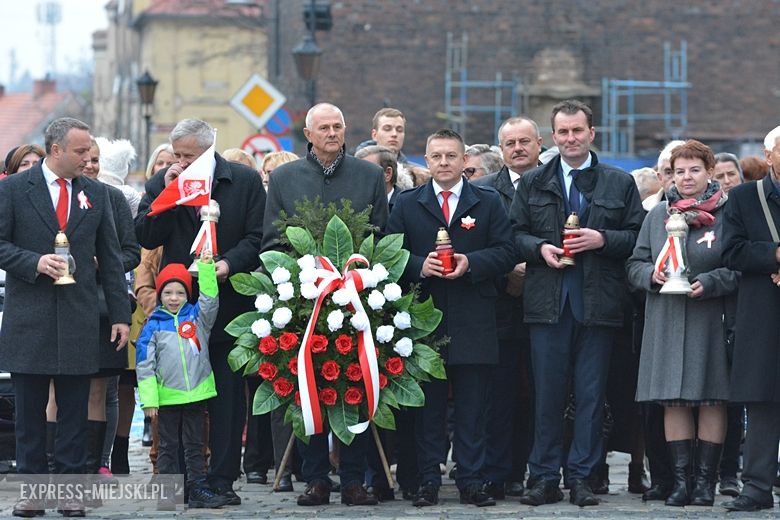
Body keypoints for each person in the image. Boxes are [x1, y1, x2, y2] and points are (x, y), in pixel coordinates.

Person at [510, 100, 644, 507]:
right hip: (547, 303)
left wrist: (603, 239)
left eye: (577, 131)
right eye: (563, 132)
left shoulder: (619, 182)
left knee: (590, 396)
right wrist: (539, 248)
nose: (571, 138)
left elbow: (637, 237)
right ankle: (544, 477)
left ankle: (583, 477)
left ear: (592, 133)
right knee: (547, 396)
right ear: (552, 137)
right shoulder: (533, 182)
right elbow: (513, 234)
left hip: (598, 304)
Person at [0, 117, 131, 517]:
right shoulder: (13, 189)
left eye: (90, 150)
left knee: (75, 411)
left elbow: (111, 257)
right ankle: (33, 491)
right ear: (56, 150)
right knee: (29, 412)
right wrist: (34, 262)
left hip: (79, 316)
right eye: (81, 151)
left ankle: (72, 491)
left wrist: (120, 315)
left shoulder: (97, 193)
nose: (88, 158)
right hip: (29, 316)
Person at [262, 102, 388, 507]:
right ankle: (315, 477)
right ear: (308, 134)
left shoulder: (369, 175)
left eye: (338, 126)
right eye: (324, 128)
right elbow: (272, 240)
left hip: (358, 297)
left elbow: (381, 234)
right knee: (308, 387)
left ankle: (352, 480)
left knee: (355, 384)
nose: (332, 133)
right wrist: (298, 278)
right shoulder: (285, 178)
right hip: (304, 300)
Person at [136, 118, 266, 504]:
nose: (180, 162)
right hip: (180, 308)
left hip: (228, 305)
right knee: (180, 399)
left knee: (227, 397)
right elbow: (145, 235)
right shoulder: (164, 183)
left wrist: (228, 264)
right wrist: (167, 193)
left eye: (188, 156)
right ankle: (180, 480)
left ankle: (222, 478)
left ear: (209, 151)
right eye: (176, 154)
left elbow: (258, 237)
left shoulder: (243, 181)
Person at [387, 128, 515, 507]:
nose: (444, 162)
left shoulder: (488, 201)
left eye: (451, 156)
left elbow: (507, 251)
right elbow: (389, 253)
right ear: (427, 160)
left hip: (475, 317)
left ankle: (471, 480)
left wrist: (470, 262)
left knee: (473, 410)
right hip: (423, 321)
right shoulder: (408, 203)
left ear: (463, 160)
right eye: (437, 156)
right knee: (428, 409)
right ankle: (427, 480)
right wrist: (417, 265)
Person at [627, 139, 737, 507]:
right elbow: (635, 262)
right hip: (667, 318)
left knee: (711, 399)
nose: (686, 177)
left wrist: (713, 282)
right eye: (679, 171)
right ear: (670, 175)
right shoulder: (657, 214)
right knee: (673, 400)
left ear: (709, 172)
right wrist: (650, 275)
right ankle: (680, 483)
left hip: (710, 318)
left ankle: (705, 484)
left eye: (694, 170)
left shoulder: (728, 213)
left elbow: (740, 266)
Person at [471, 116, 542, 498]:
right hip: (497, 308)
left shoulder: (556, 183)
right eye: (510, 143)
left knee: (541, 395)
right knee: (497, 396)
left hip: (546, 303)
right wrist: (506, 273)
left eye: (524, 141)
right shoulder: (482, 190)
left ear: (539, 143)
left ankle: (537, 471)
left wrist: (533, 272)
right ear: (500, 148)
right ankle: (497, 472)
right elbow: (473, 245)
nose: (517, 148)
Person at [136, 251, 230, 509]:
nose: (174, 298)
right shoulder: (152, 326)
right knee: (167, 446)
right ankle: (168, 492)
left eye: (179, 292)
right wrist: (149, 400)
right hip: (167, 398)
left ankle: (198, 488)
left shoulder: (198, 318)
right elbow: (145, 366)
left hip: (196, 395)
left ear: (188, 294)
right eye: (168, 293)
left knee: (195, 446)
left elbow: (210, 299)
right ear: (159, 295)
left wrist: (207, 270)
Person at [720, 124, 780, 512]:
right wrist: (774, 256)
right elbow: (731, 252)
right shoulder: (744, 197)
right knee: (762, 402)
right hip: (763, 316)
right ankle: (757, 485)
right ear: (768, 155)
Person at [355, 145, 400, 210]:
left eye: (366, 170)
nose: (359, 177)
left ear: (388, 174)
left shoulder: (408, 205)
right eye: (357, 171)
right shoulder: (349, 205)